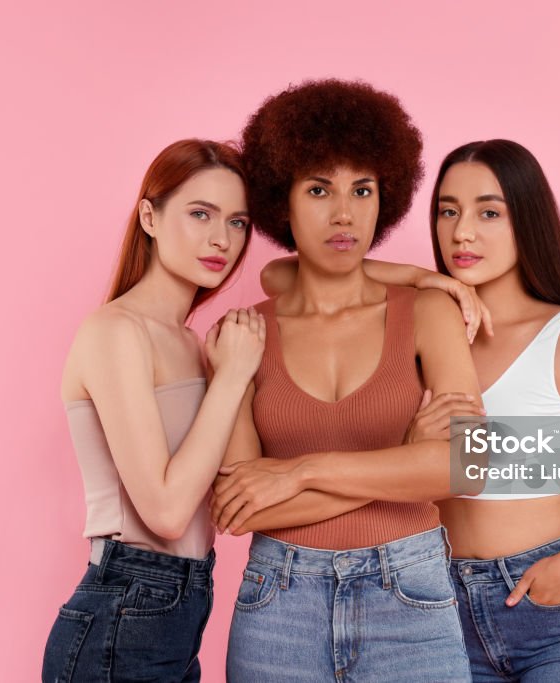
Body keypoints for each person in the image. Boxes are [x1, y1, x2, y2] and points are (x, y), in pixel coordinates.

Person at [257, 139, 560, 682]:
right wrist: (424, 278)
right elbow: (279, 274)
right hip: (432, 597)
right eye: (448, 211)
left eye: (488, 213)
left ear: (527, 220)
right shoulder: (419, 322)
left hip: (556, 609)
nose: (461, 233)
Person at [214, 80, 477, 682]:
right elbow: (240, 506)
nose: (344, 213)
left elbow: (470, 467)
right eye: (319, 190)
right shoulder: (245, 334)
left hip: (410, 596)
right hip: (279, 605)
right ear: (283, 202)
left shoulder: (429, 313)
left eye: (362, 189)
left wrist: (300, 472)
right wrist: (406, 461)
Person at [42, 139, 265, 683]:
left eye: (237, 222)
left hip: (181, 608)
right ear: (149, 217)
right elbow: (165, 513)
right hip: (125, 605)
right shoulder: (116, 332)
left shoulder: (195, 344)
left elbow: (232, 495)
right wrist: (231, 378)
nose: (222, 239)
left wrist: (426, 280)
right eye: (200, 214)